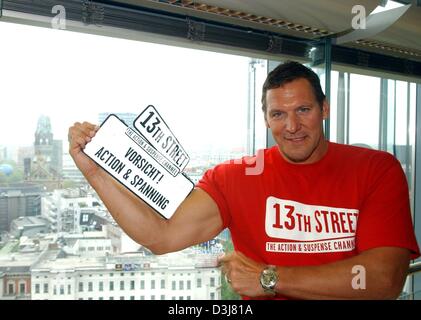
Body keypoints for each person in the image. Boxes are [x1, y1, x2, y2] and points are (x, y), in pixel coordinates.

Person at [68, 61, 420, 300]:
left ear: (324, 109)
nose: (292, 127)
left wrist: (270, 278)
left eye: (304, 110)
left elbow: (385, 279)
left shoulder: (376, 168)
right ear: (266, 119)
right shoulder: (235, 177)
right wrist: (95, 173)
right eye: (278, 114)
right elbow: (161, 236)